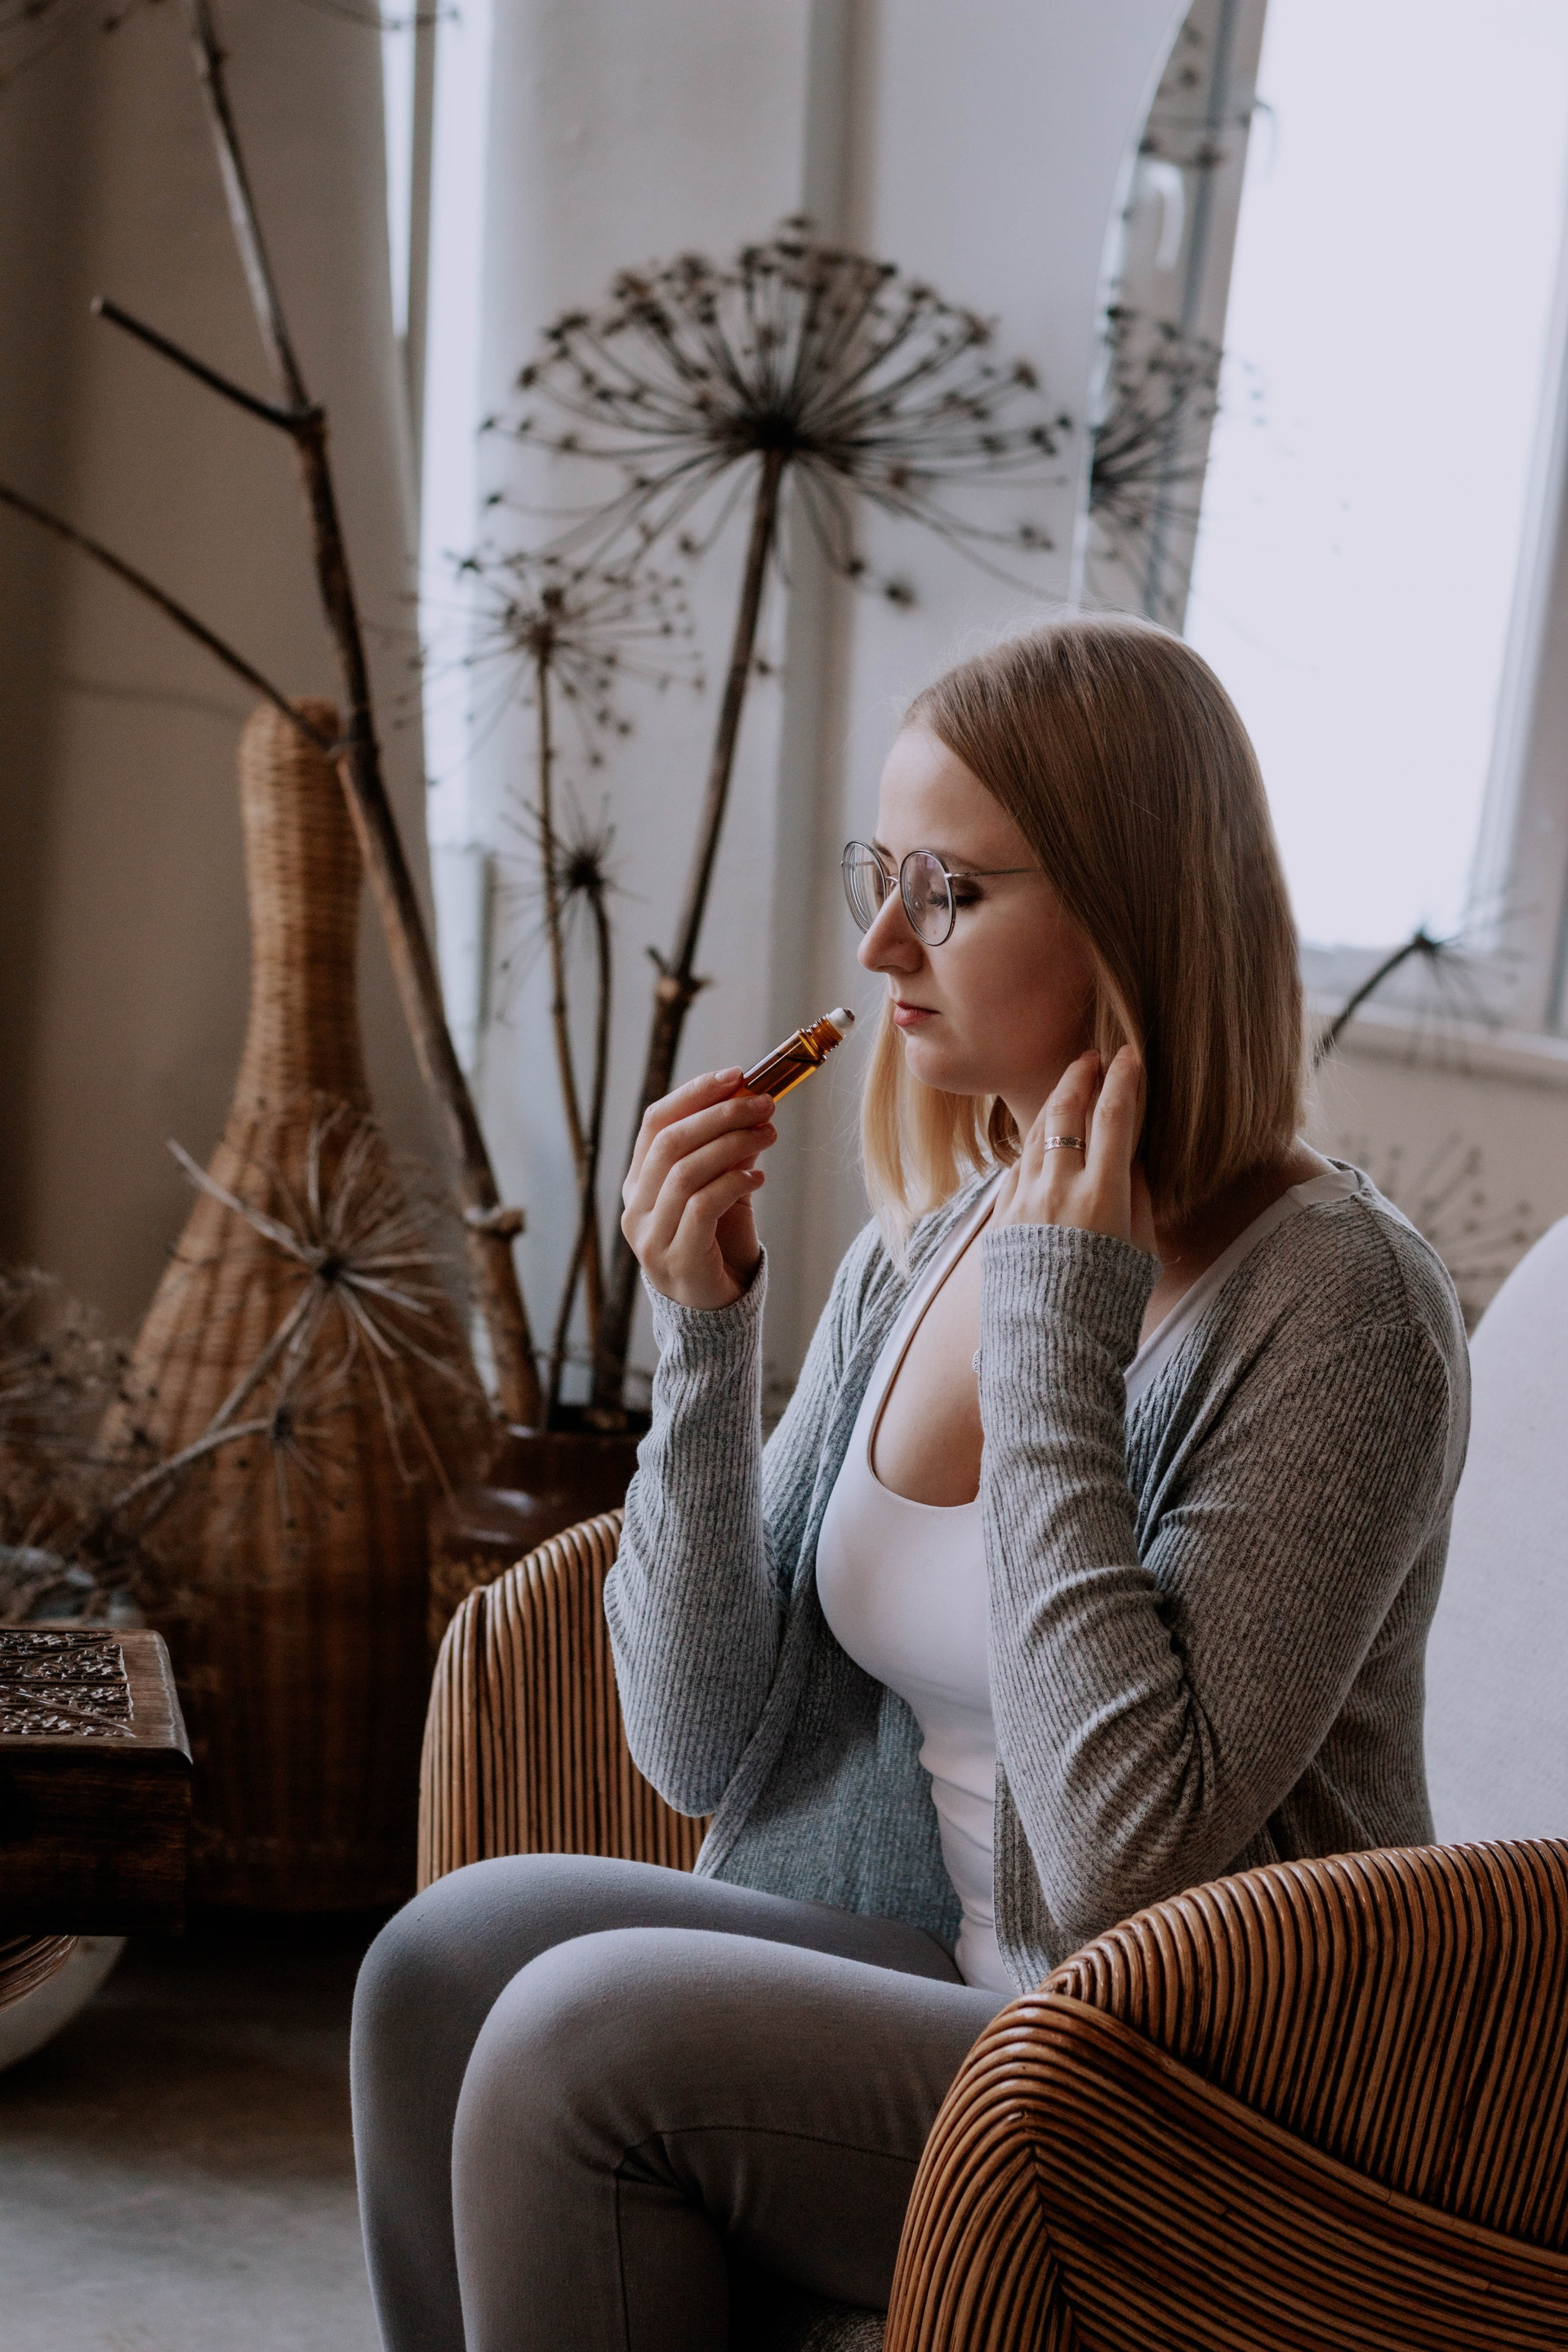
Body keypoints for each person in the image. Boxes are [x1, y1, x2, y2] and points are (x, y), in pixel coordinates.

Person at [351, 614, 1469, 2352]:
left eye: (947, 892)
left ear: (1133, 916)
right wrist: (704, 1332)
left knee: (584, 2045)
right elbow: (697, 1741)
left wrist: (1055, 1342)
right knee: (444, 1965)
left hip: (1205, 2087)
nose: (879, 942)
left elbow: (1120, 1868)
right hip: (947, 1990)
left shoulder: (1342, 1310)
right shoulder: (931, 1245)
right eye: (883, 875)